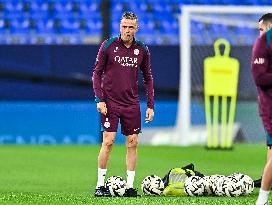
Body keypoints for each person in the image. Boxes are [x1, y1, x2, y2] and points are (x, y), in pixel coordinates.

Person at [92, 12, 154, 197]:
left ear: (137, 28)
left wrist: (150, 105)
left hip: (131, 104)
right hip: (110, 102)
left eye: (130, 27)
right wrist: (99, 99)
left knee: (132, 143)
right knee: (108, 141)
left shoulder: (142, 50)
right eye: (124, 26)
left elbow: (148, 78)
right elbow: (96, 73)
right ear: (120, 27)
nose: (127, 30)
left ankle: (129, 187)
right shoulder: (109, 45)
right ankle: (100, 185)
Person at [251, 13, 272, 205]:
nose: (260, 33)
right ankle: (263, 197)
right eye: (259, 30)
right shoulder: (262, 45)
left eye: (261, 29)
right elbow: (260, 78)